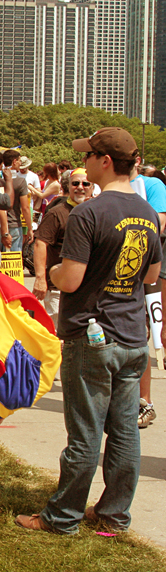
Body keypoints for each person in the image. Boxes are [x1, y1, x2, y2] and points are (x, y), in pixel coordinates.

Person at [17, 127, 161, 536]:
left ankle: (62, 516)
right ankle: (115, 513)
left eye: (90, 156)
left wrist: (58, 270)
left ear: (105, 162)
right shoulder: (148, 213)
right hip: (133, 336)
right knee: (124, 432)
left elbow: (72, 280)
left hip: (92, 334)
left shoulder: (88, 213)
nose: (84, 164)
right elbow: (150, 273)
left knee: (84, 433)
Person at [128, 160, 166, 429]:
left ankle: (145, 402)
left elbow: (157, 227)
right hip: (108, 278)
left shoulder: (150, 185)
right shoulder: (97, 188)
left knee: (143, 337)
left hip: (146, 272)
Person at [31, 169, 89, 326]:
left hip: (89, 288)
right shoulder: (57, 213)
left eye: (85, 183)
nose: (80, 187)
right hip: (58, 288)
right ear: (68, 186)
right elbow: (40, 244)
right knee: (58, 335)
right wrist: (40, 279)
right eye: (75, 183)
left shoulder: (97, 211)